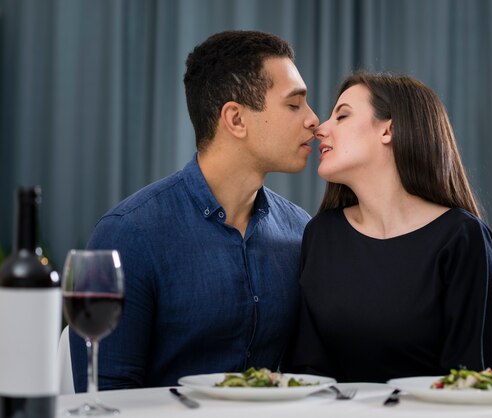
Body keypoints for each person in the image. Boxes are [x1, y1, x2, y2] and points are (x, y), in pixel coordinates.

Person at [69, 30, 319, 390]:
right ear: (235, 119)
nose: (314, 120)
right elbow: (106, 393)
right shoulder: (128, 235)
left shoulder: (300, 231)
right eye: (294, 105)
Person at [287, 72, 492, 383]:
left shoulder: (462, 239)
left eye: (342, 116)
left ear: (389, 130)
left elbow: (466, 382)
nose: (321, 128)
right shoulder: (321, 235)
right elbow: (308, 372)